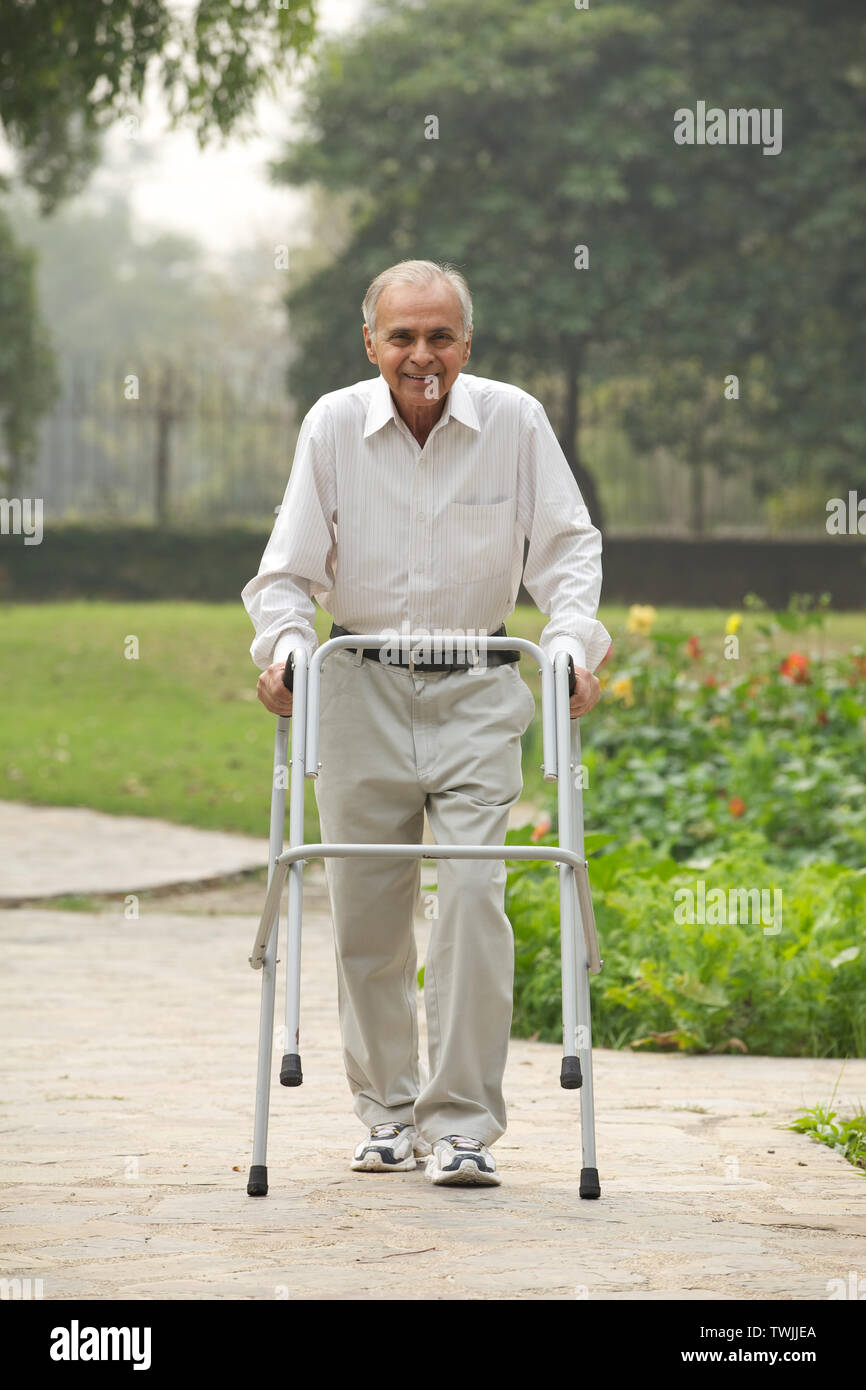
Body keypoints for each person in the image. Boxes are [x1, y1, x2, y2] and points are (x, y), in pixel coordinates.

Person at [242, 258, 612, 1187]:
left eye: (440, 335)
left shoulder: (516, 420)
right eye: (401, 336)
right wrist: (284, 649)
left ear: (467, 342)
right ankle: (386, 1113)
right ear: (371, 343)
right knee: (368, 908)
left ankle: (462, 1127)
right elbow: (288, 574)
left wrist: (572, 644)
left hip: (479, 680)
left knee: (475, 898)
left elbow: (568, 553)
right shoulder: (333, 424)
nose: (422, 356)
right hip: (358, 679)